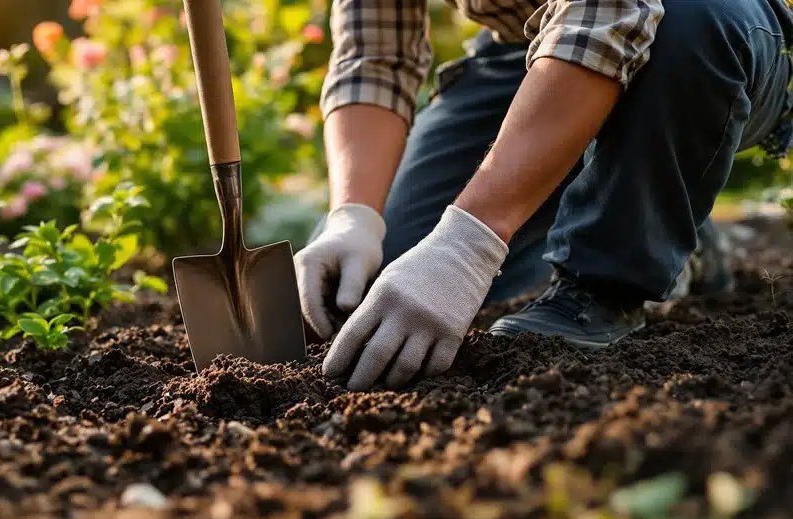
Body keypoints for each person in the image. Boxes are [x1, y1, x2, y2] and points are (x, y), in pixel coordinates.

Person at [294, 0, 793, 392]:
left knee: (691, 19)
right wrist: (355, 215)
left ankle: (614, 274)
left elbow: (608, 15)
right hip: (530, 45)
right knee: (393, 274)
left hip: (700, 32)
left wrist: (466, 245)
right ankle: (651, 213)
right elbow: (375, 59)